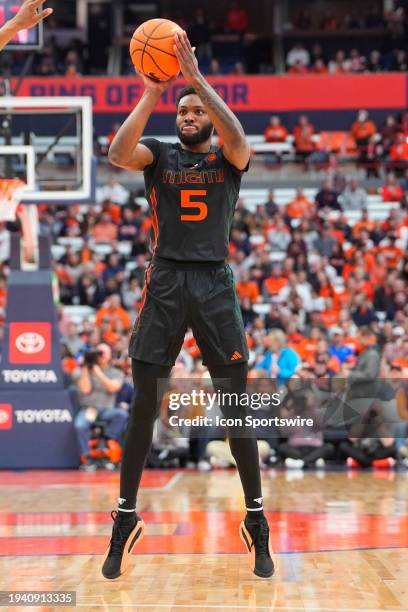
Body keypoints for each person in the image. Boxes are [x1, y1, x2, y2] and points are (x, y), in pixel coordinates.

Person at [102, 29, 273, 580]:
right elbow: (117, 152)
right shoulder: (158, 155)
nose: (189, 115)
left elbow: (240, 137)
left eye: (196, 109)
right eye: (185, 110)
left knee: (235, 409)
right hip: (168, 281)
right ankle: (125, 519)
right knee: (142, 407)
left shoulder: (230, 157)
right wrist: (155, 90)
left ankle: (256, 520)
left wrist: (197, 79)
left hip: (215, 285)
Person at [73, 343, 127, 471]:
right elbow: (85, 390)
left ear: (109, 356)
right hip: (89, 409)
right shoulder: (82, 371)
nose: (101, 355)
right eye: (99, 352)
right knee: (80, 425)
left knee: (122, 415)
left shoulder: (115, 372)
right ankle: (86, 458)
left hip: (107, 409)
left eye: (104, 353)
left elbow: (113, 387)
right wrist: (87, 366)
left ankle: (108, 440)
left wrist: (98, 371)